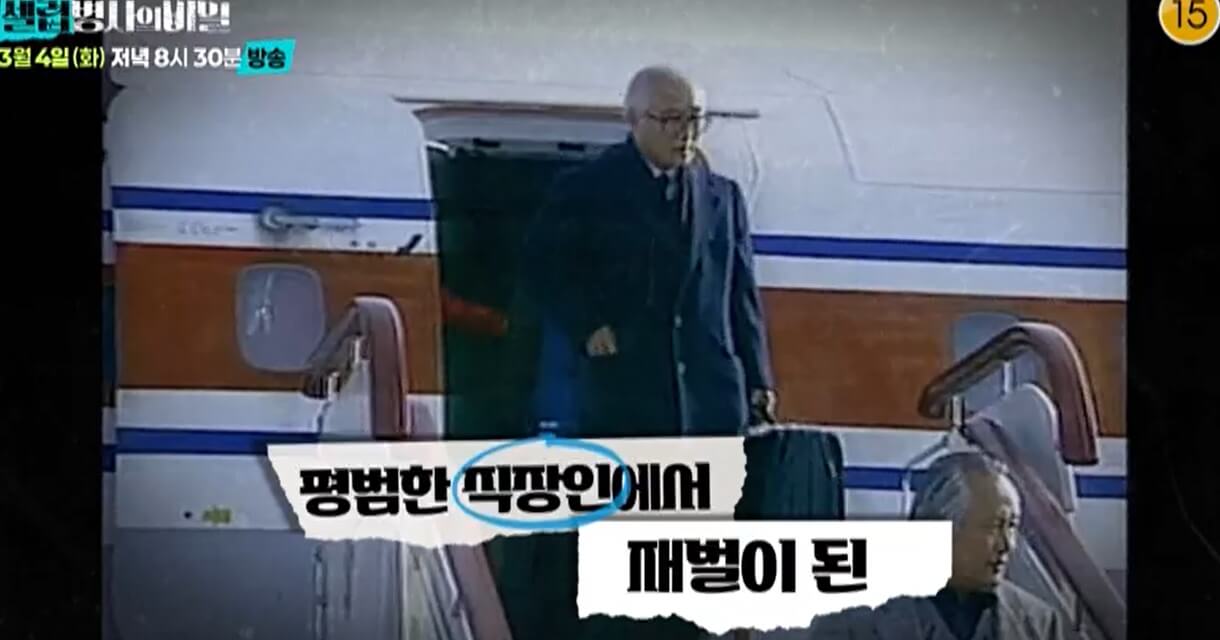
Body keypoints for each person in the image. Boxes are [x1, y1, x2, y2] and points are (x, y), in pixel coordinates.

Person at [522, 64, 777, 438]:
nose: (685, 132)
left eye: (694, 119)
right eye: (670, 119)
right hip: (627, 397)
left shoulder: (723, 197)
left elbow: (741, 295)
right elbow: (542, 268)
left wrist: (758, 378)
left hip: (711, 401)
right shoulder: (584, 189)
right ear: (633, 120)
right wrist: (587, 325)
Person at [796, 451, 1076, 640]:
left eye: (1011, 526)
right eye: (993, 526)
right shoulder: (855, 621)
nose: (1008, 545)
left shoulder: (1041, 625)